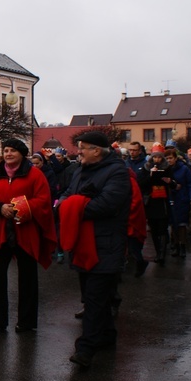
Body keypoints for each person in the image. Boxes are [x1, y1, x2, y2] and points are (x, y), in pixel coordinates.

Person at [58, 131, 131, 368]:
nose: (78, 152)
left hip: (106, 244)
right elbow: (68, 196)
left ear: (97, 150)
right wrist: (72, 202)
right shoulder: (80, 170)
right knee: (96, 295)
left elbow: (107, 204)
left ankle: (85, 349)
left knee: (95, 298)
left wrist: (77, 205)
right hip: (84, 242)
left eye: (82, 148)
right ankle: (108, 336)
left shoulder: (118, 172)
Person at [0, 139, 57, 334]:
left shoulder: (35, 175)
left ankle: (26, 321)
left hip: (25, 233)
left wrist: (18, 208)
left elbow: (43, 200)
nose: (8, 154)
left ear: (22, 153)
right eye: (5, 150)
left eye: (13, 150)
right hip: (1, 234)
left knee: (27, 279)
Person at [139, 143, 171, 266]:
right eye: (155, 157)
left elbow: (173, 183)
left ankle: (162, 254)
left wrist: (169, 181)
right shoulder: (146, 168)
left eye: (159, 157)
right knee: (154, 229)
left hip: (162, 201)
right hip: (151, 201)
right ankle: (158, 251)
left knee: (162, 228)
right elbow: (141, 184)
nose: (156, 160)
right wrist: (151, 176)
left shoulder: (167, 168)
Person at [164, 148, 191, 258]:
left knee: (182, 223)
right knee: (173, 223)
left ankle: (182, 246)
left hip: (182, 198)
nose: (169, 160)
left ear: (175, 158)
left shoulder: (184, 169)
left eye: (170, 158)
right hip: (170, 197)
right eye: (167, 158)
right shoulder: (165, 169)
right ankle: (175, 245)